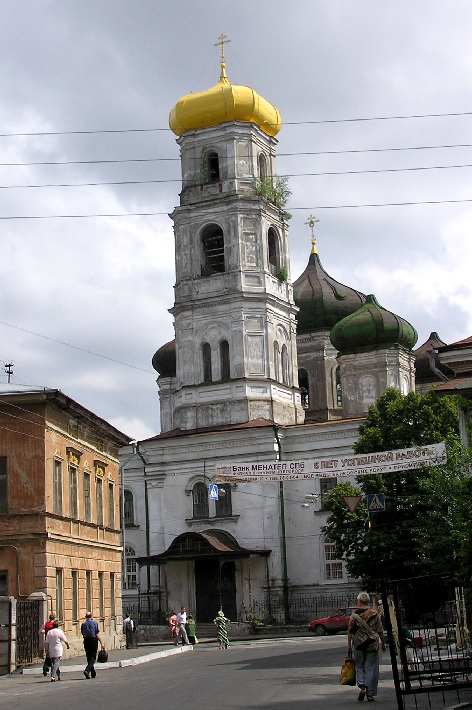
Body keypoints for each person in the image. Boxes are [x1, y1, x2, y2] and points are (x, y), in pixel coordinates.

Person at [348, 592, 385, 702]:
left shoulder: (354, 615)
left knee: (359, 666)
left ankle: (362, 686)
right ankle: (370, 694)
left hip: (358, 644)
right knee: (371, 667)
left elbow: (350, 632)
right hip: (372, 644)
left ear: (358, 601)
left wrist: (349, 646)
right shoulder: (375, 613)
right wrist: (383, 643)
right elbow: (380, 630)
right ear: (368, 601)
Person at [81, 611, 104, 679]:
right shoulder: (94, 623)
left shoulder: (83, 624)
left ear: (86, 617)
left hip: (86, 641)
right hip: (93, 640)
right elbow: (96, 633)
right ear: (91, 616)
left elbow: (82, 633)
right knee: (93, 657)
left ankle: (93, 672)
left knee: (88, 656)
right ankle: (87, 670)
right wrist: (101, 642)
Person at [42, 612, 56, 677]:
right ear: (54, 618)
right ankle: (48, 668)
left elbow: (41, 631)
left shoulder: (46, 624)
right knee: (54, 656)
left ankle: (46, 668)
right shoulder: (54, 624)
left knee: (48, 655)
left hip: (47, 641)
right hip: (53, 642)